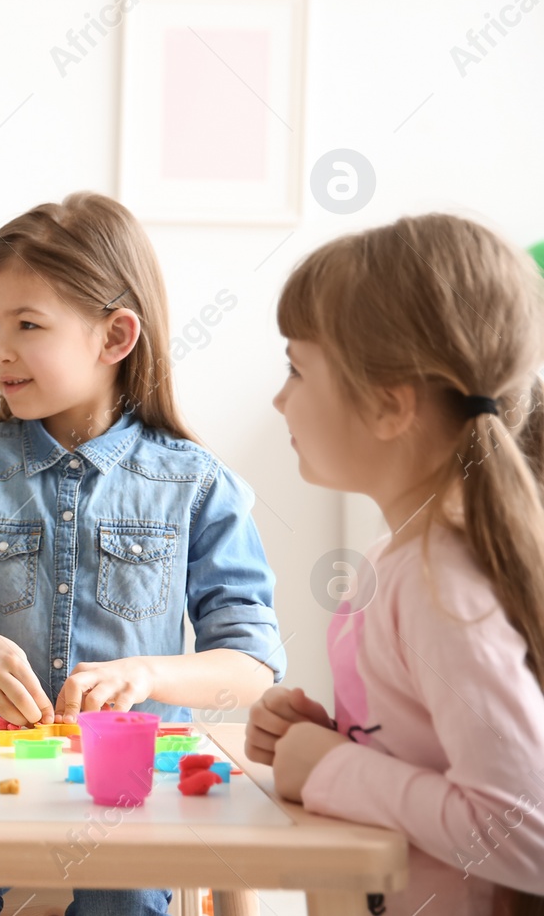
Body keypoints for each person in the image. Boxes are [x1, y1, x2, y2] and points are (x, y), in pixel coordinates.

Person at [0, 193, 284, 916]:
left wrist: (145, 673)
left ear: (115, 336)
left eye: (28, 325)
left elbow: (252, 665)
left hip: (134, 786)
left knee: (125, 893)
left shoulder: (196, 483)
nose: (0, 349)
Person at [251, 213, 544, 915]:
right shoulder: (401, 560)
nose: (278, 396)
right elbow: (430, 756)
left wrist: (331, 766)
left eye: (296, 367)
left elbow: (527, 832)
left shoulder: (440, 583)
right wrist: (325, 738)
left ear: (389, 405)